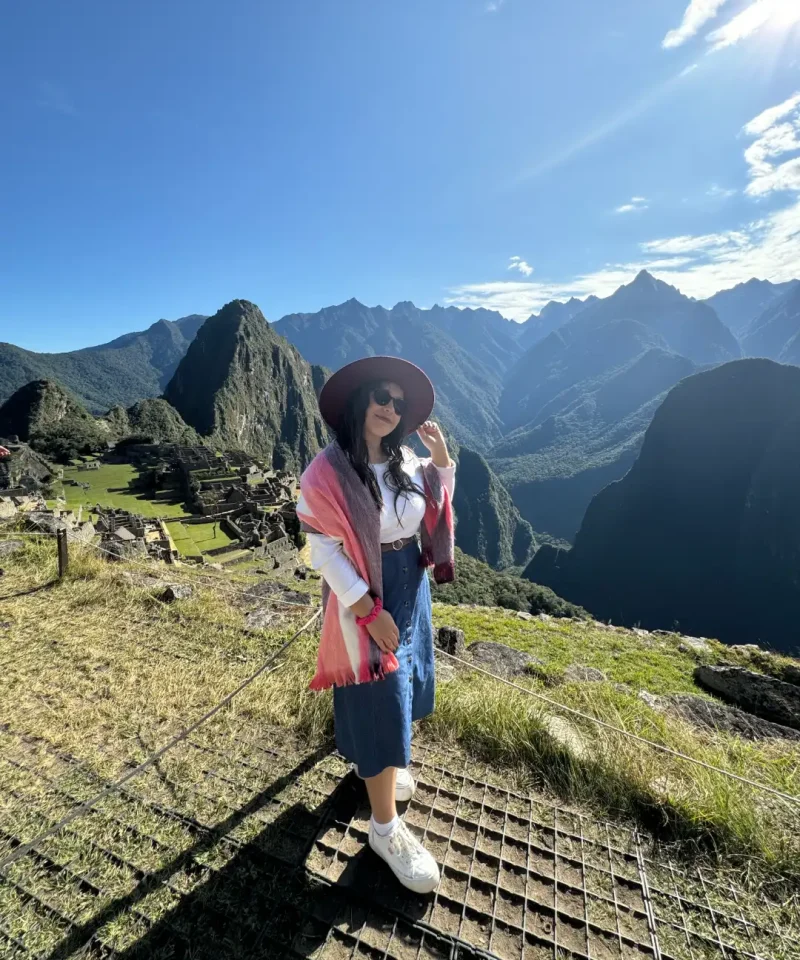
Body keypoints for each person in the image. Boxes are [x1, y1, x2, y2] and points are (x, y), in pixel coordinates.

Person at [297, 356, 455, 894]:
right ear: (361, 400)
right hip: (365, 591)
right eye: (382, 398)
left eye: (399, 402)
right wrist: (367, 608)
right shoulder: (327, 472)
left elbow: (429, 509)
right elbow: (322, 549)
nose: (391, 408)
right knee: (378, 694)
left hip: (409, 580)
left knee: (405, 682)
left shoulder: (404, 459)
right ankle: (384, 827)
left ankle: (385, 770)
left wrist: (442, 461)